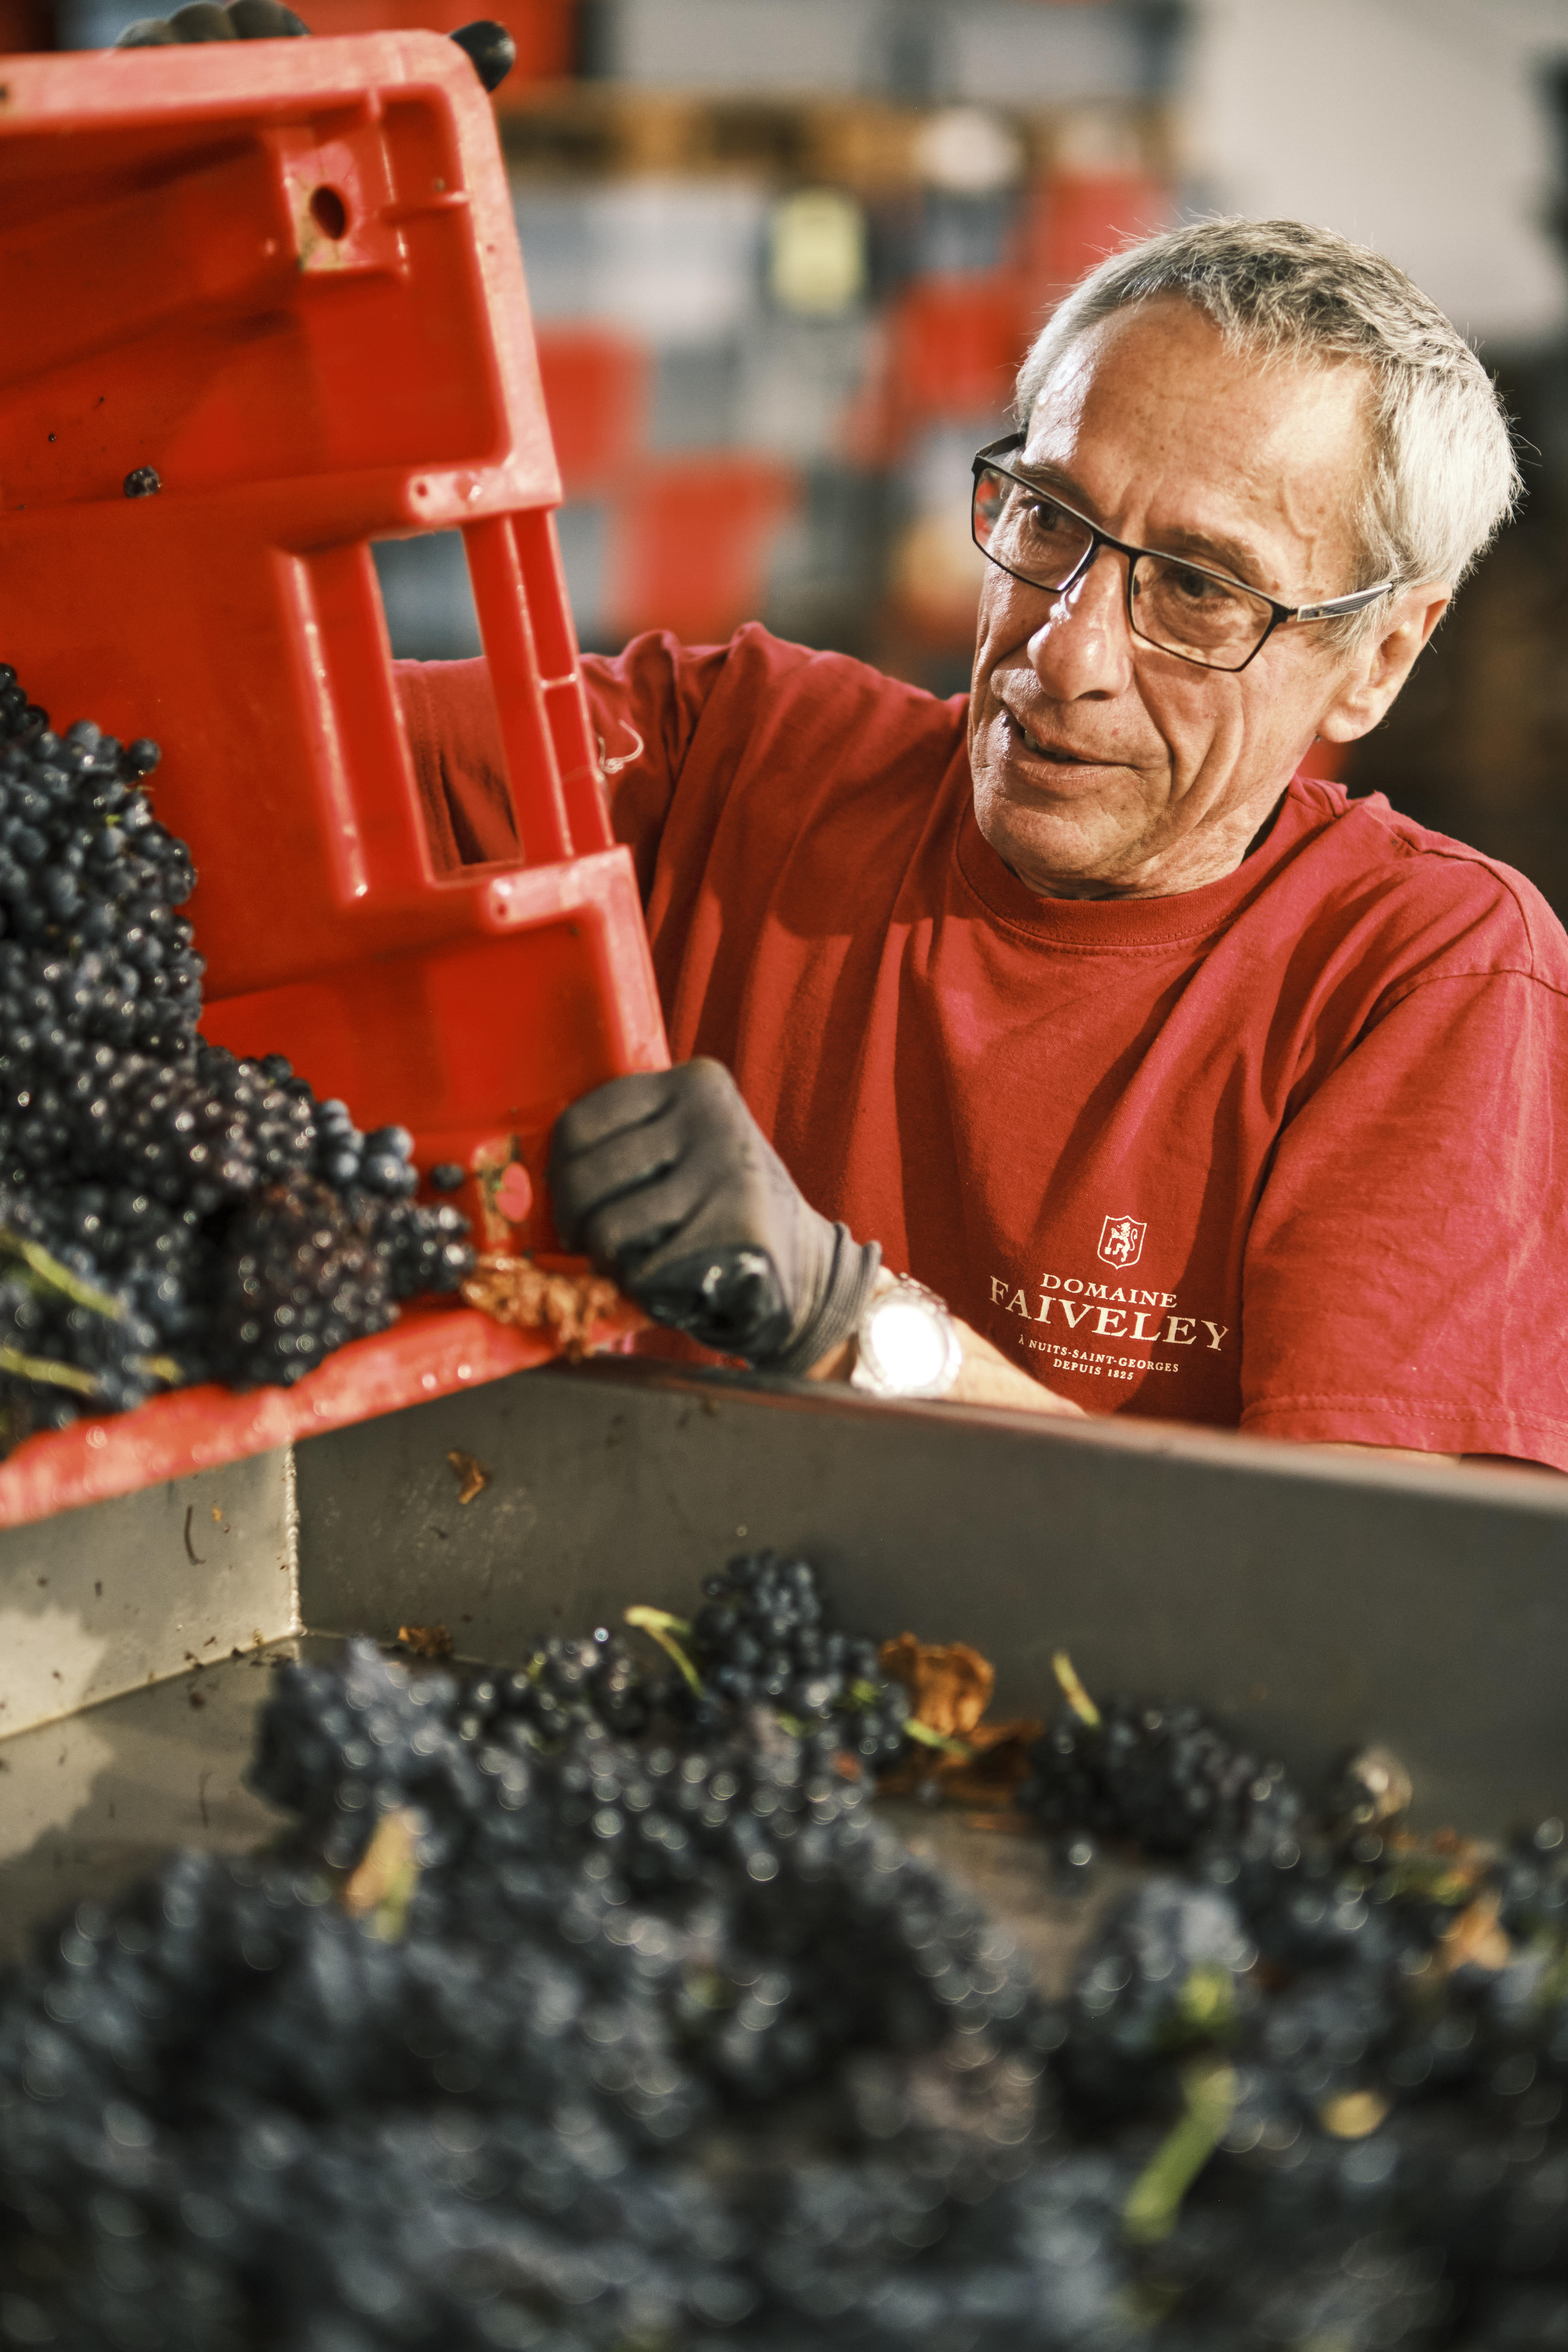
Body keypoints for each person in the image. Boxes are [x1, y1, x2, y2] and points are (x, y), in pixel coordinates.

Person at [399, 217, 1568, 1471]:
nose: (1066, 654)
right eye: (1049, 520)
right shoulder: (723, 762)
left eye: (1196, 588)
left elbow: (1344, 1567)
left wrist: (849, 1324)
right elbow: (279, 735)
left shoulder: (1421, 981)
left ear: (1378, 659)